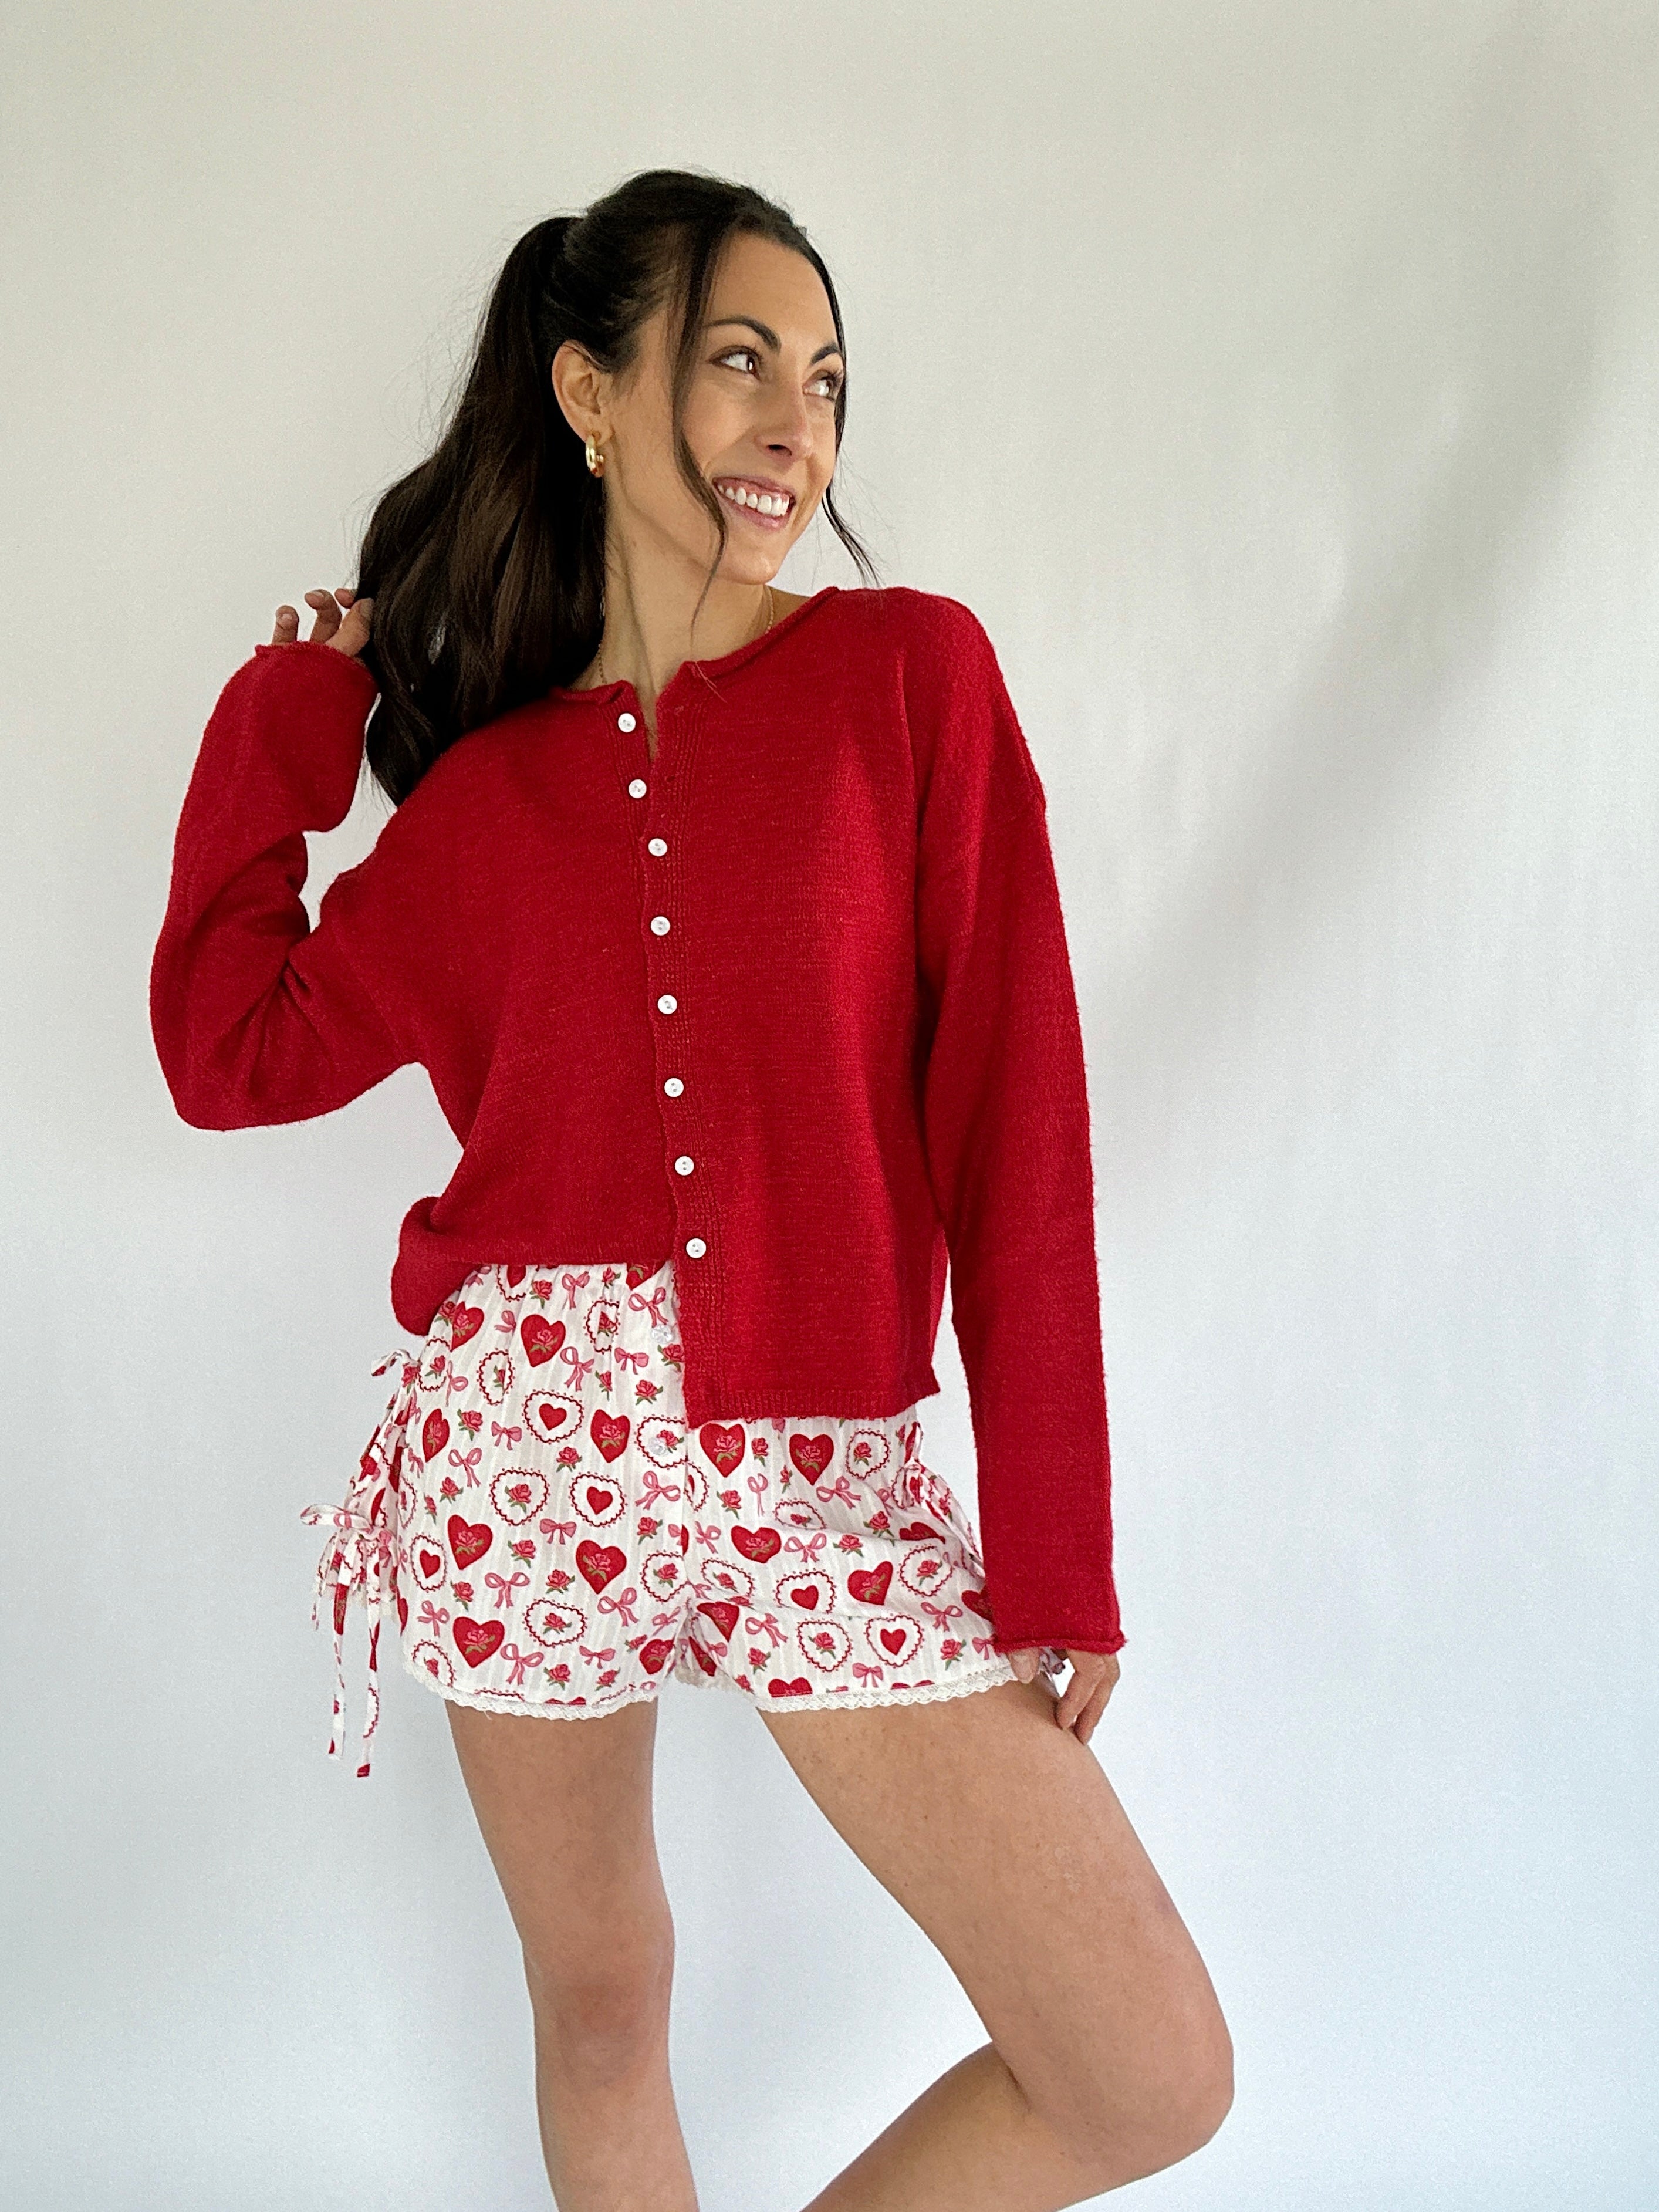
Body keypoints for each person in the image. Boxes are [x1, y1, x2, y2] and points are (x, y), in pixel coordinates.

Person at [150, 167, 1231, 2211]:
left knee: (1144, 2066)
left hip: (820, 1453)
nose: (793, 428)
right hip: (518, 1444)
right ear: (587, 388)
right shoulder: (483, 805)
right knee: (603, 1995)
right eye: (738, 361)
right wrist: (292, 714)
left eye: (825, 382)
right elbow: (228, 1051)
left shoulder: (909, 681)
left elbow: (1020, 1116)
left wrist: (1057, 1539)